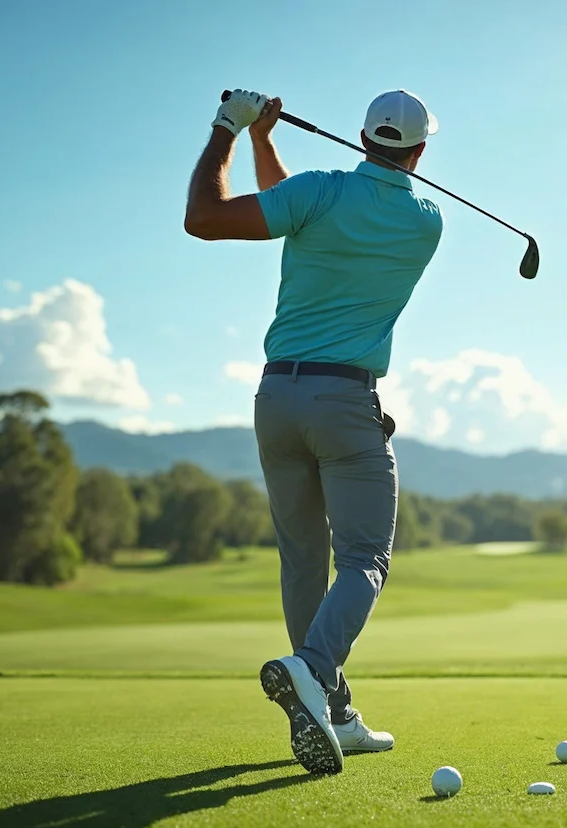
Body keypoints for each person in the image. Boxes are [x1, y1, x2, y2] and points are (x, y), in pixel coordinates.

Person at [183, 88, 444, 775]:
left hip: (278, 398)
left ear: (361, 138)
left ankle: (334, 712)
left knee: (303, 561)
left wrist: (232, 130)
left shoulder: (318, 195)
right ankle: (313, 669)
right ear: (420, 151)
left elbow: (209, 218)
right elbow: (296, 204)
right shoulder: (426, 221)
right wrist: (267, 145)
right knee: (364, 559)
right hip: (347, 401)